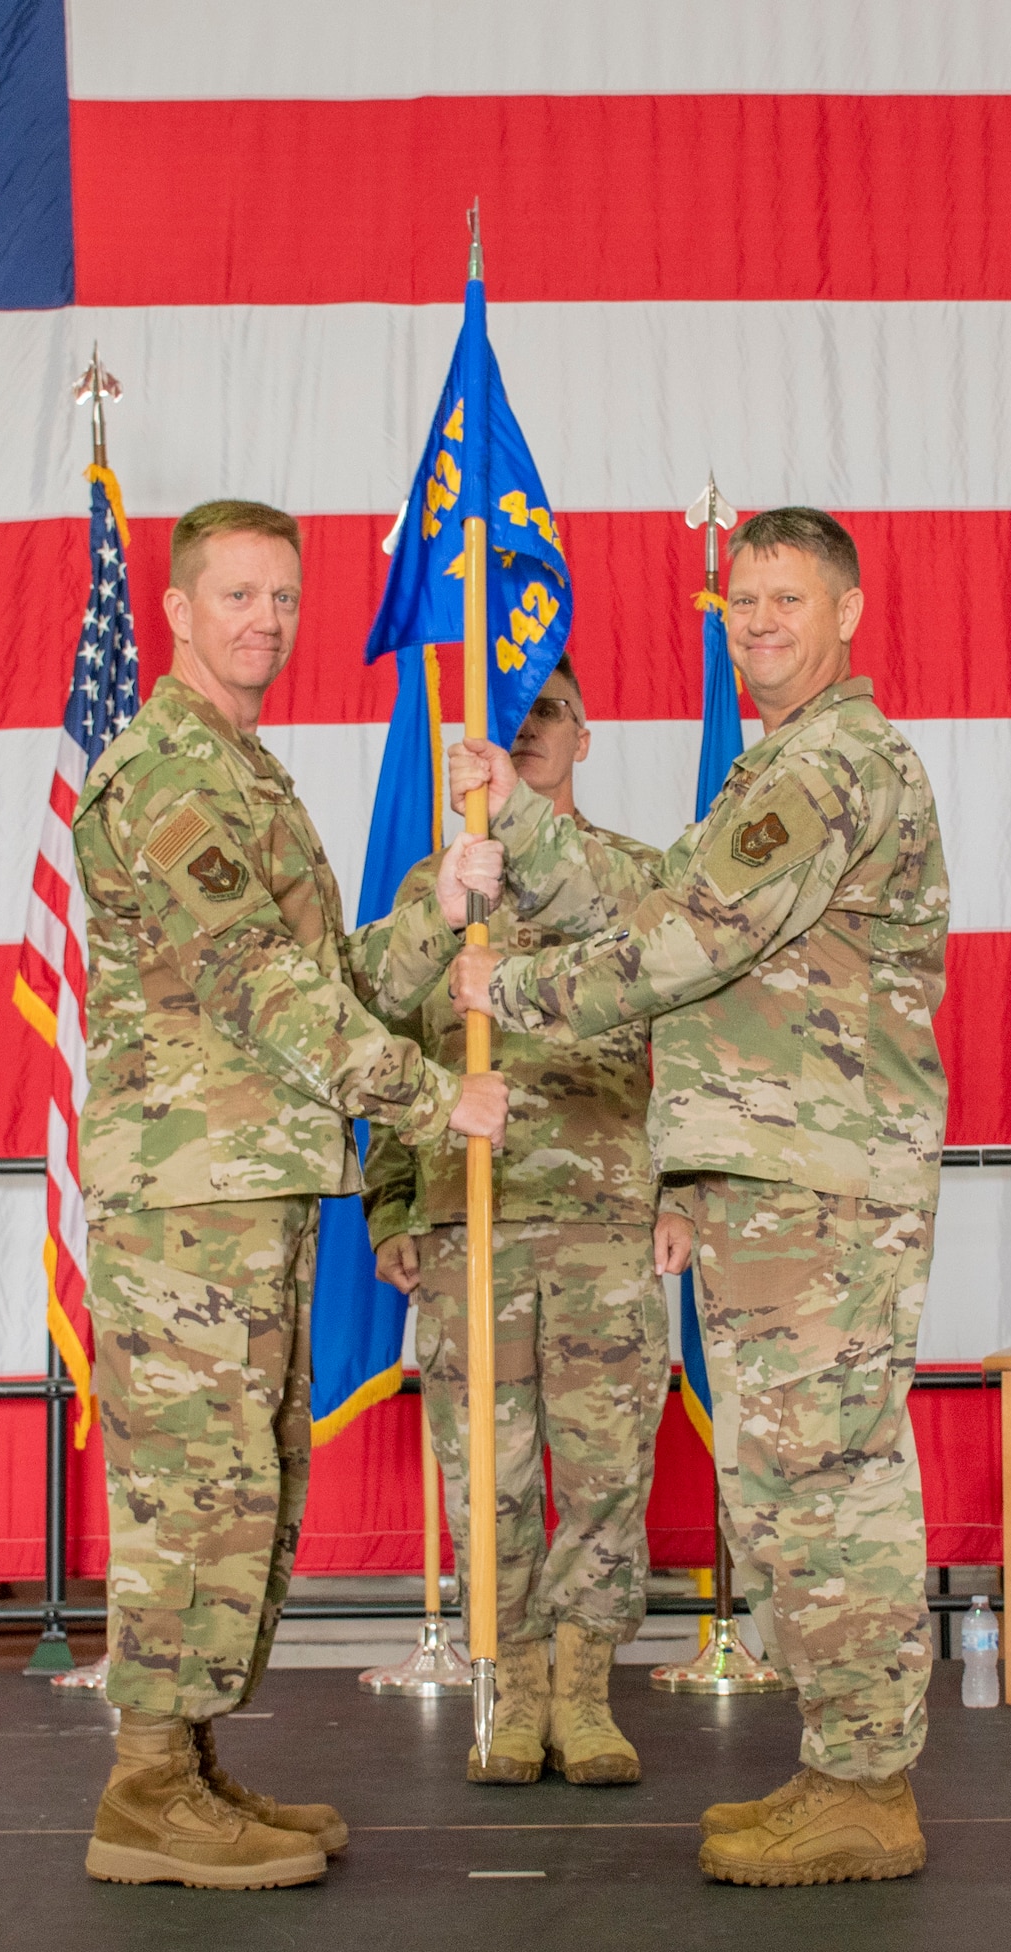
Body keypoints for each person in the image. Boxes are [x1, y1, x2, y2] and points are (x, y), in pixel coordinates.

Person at [445, 507, 949, 1888]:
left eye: (789, 598)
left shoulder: (832, 765)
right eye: (742, 601)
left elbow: (685, 939)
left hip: (818, 1186)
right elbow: (669, 882)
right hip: (778, 1179)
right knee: (787, 1489)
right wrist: (530, 817)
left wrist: (520, 986)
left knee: (828, 1486)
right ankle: (840, 1767)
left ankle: (869, 1784)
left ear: (847, 610)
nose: (761, 622)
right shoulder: (775, 772)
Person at [71, 498, 509, 1890]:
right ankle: (142, 1788)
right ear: (180, 613)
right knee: (192, 1490)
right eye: (239, 596)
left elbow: (317, 979)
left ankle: (188, 1760)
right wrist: (440, 1097)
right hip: (186, 1197)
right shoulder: (166, 776)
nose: (265, 621)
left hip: (246, 1189)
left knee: (246, 1480)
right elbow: (262, 994)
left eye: (284, 598)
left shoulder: (246, 772)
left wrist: (436, 905)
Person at [365, 654, 668, 1788]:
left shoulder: (638, 880)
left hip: (603, 1221)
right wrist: (392, 1198)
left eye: (549, 714)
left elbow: (687, 1043)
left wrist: (682, 1189)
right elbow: (389, 1043)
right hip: (468, 1218)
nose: (528, 732)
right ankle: (515, 1690)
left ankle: (586, 1696)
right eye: (510, 718)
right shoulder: (432, 888)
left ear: (584, 738)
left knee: (602, 1469)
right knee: (484, 1472)